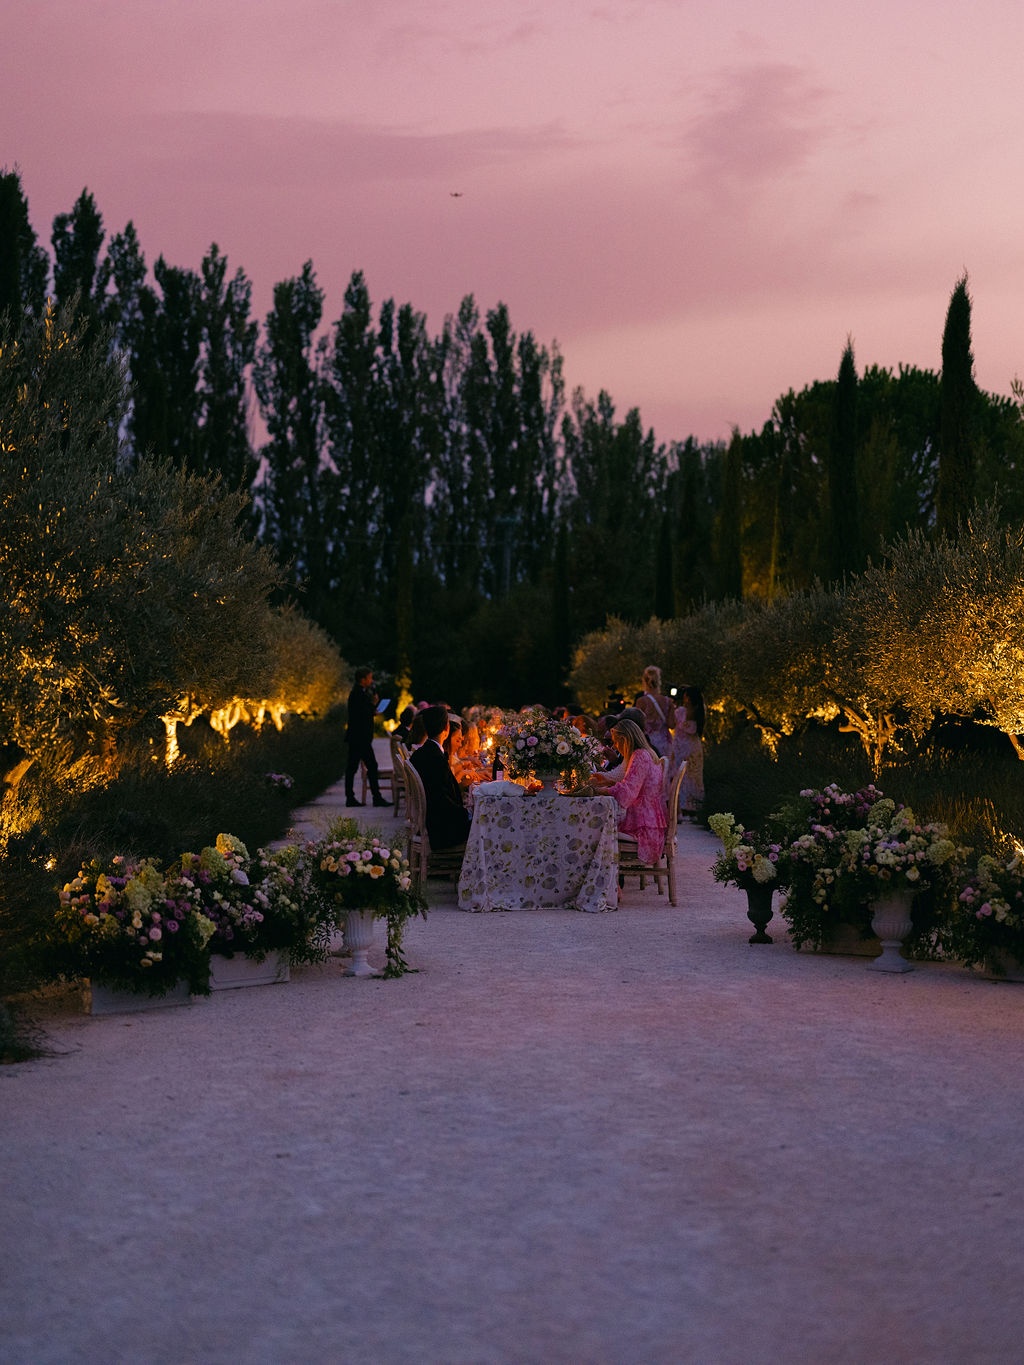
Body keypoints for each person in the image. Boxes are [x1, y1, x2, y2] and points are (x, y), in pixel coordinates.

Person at [591, 717, 667, 865]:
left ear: (625, 739)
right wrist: (603, 782)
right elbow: (628, 783)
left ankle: (608, 878)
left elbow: (628, 792)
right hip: (649, 821)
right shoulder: (646, 753)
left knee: (596, 827)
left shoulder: (639, 756)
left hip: (643, 827)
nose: (615, 746)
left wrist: (601, 791)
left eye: (616, 741)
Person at [410, 706, 471, 850]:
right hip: (442, 831)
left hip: (432, 822)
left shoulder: (423, 752)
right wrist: (467, 814)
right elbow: (441, 799)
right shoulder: (436, 758)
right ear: (446, 727)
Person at [344, 667, 389, 808]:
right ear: (362, 679)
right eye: (370, 678)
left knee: (355, 767)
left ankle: (356, 797)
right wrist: (373, 705)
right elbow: (361, 714)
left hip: (359, 738)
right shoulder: (357, 693)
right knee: (364, 766)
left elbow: (364, 712)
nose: (372, 680)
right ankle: (373, 797)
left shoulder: (360, 693)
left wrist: (372, 709)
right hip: (359, 738)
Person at [671, 685, 706, 817]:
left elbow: (677, 724)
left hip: (683, 747)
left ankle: (683, 806)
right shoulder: (699, 712)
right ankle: (692, 806)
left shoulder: (681, 712)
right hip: (692, 746)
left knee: (684, 776)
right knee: (692, 776)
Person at [635, 665, 674, 758]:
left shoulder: (641, 701)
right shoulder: (668, 701)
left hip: (647, 743)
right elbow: (672, 725)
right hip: (665, 743)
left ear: (644, 682)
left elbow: (637, 725)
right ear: (659, 681)